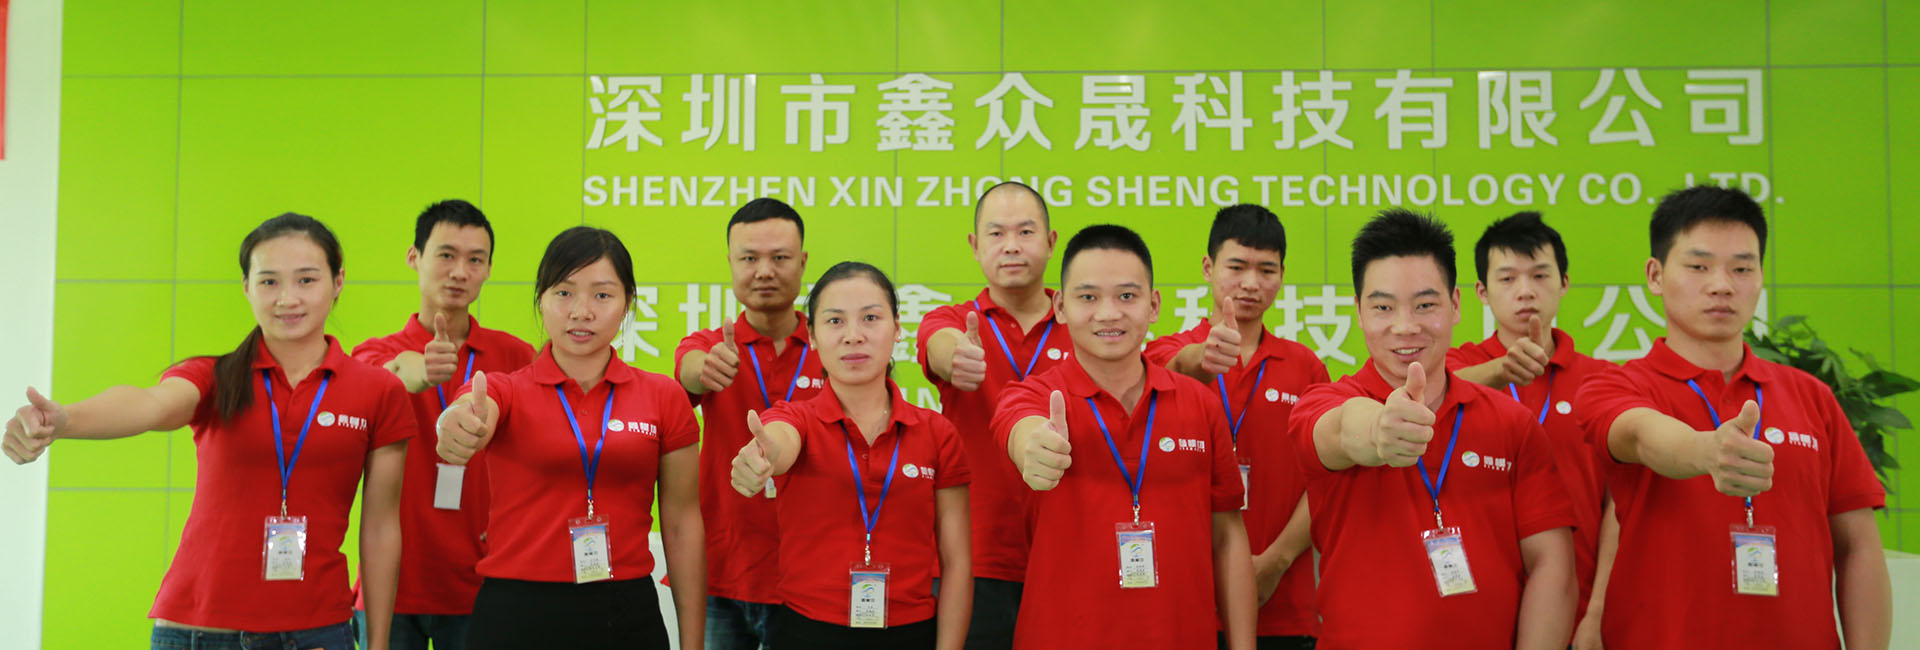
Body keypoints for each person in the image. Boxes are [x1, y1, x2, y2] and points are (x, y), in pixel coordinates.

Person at [4, 213, 410, 650]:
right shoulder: (215, 377)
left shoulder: (377, 391)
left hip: (315, 632)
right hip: (196, 631)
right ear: (247, 287)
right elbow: (150, 404)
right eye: (269, 281)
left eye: (306, 280)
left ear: (338, 281)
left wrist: (378, 643)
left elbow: (380, 528)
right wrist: (65, 420)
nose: (287, 298)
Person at [1573, 186, 1890, 649]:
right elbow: (1640, 434)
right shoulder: (1615, 386)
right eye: (1699, 267)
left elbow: (1858, 545)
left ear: (1760, 276)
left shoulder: (1812, 398)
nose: (1722, 285)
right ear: (1655, 275)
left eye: (1742, 268)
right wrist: (1705, 451)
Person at [1289, 208, 1575, 649]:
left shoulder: (1512, 424)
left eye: (1425, 305)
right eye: (1383, 307)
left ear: (1456, 304)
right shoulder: (1322, 402)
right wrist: (1379, 431)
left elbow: (1552, 567)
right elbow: (1339, 431)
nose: (1406, 326)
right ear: (1359, 312)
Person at [437, 226, 705, 649]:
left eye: (602, 295)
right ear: (541, 300)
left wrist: (693, 642)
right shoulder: (508, 389)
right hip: (516, 612)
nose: (581, 311)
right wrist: (457, 422)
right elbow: (472, 407)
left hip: (625, 611)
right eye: (564, 293)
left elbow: (682, 524)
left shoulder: (663, 396)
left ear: (628, 303)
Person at [992, 224, 1257, 649]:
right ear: (1060, 307)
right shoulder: (1034, 396)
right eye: (1088, 297)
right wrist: (1034, 448)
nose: (1109, 314)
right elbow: (1020, 428)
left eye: (1127, 296)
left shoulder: (1200, 404)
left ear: (1154, 306)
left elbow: (1227, 536)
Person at [731, 261, 973, 649]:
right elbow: (778, 439)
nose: (853, 336)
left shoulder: (937, 433)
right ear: (812, 336)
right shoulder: (797, 418)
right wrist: (763, 456)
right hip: (807, 632)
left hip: (910, 632)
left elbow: (958, 563)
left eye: (870, 318)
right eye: (835, 321)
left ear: (897, 328)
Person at [347, 199, 535, 650]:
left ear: (489, 269)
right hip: (391, 585)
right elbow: (391, 373)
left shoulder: (516, 357)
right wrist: (417, 370)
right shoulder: (372, 353)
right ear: (414, 257)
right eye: (446, 255)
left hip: (484, 581)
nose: (459, 272)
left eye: (475, 260)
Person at [1144, 204, 1325, 650]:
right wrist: (1201, 359)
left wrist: (1275, 562)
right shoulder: (1162, 353)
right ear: (1208, 268)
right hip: (1184, 596)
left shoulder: (1305, 367)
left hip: (1284, 602)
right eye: (1237, 266)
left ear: (1282, 275)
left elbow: (1323, 480)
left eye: (1266, 270)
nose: (1250, 283)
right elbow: (1172, 370)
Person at [915, 181, 1073, 649]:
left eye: (1025, 232)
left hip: (1069, 554)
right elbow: (938, 344)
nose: (1011, 246)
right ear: (974, 245)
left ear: (1051, 241)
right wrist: (956, 356)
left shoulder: (1083, 324)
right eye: (996, 233)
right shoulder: (953, 321)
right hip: (975, 561)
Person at [1444, 211, 1614, 641]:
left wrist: (1597, 612)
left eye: (1540, 275)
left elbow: (1619, 506)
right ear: (1482, 292)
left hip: (1578, 612)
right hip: (1473, 607)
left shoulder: (1600, 380)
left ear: (1564, 283)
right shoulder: (1458, 366)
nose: (1525, 291)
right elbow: (1427, 392)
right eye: (1507, 279)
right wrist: (1499, 370)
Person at [675, 197, 823, 649]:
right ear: (730, 263)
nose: (764, 271)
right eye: (749, 259)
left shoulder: (833, 346)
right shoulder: (709, 346)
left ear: (802, 262)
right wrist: (704, 369)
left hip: (813, 572)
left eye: (779, 258)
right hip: (723, 571)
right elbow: (687, 371)